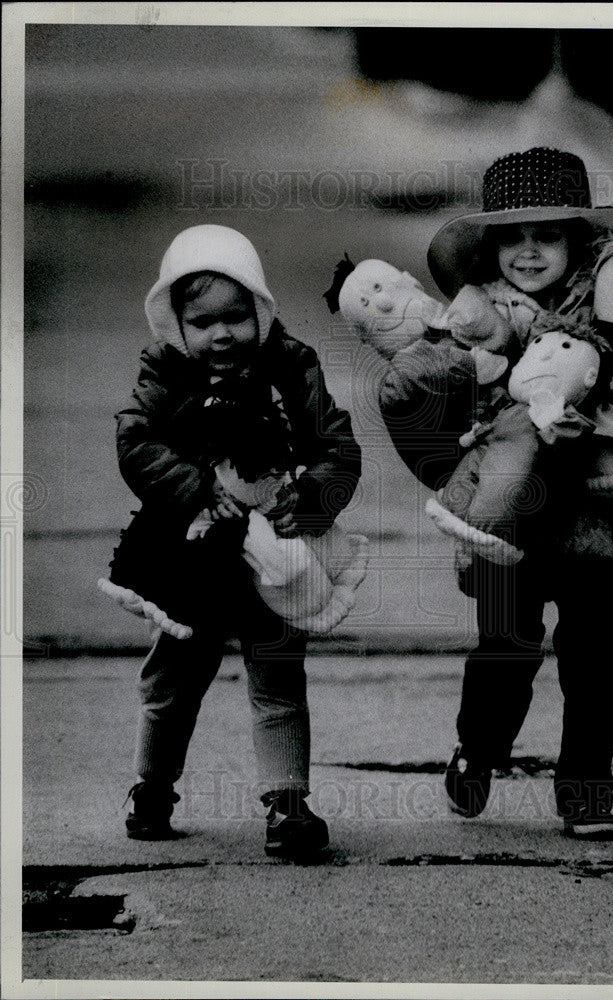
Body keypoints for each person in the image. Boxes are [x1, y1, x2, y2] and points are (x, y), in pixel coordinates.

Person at [384, 147, 613, 839]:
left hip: (596, 516)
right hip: (510, 522)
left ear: (581, 240)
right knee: (504, 654)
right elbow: (420, 396)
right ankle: (478, 749)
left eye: (547, 235)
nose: (528, 251)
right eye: (511, 237)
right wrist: (451, 464)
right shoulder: (474, 318)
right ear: (490, 248)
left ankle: (586, 788)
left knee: (597, 658)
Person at [112, 224, 361, 856]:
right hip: (189, 551)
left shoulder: (290, 367)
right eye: (202, 322)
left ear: (262, 308)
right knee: (173, 676)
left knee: (278, 674)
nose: (222, 334)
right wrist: (195, 488)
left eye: (236, 316)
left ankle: (287, 803)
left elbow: (336, 448)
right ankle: (152, 785)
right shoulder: (164, 372)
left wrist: (306, 501)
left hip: (273, 556)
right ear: (177, 325)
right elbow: (136, 442)